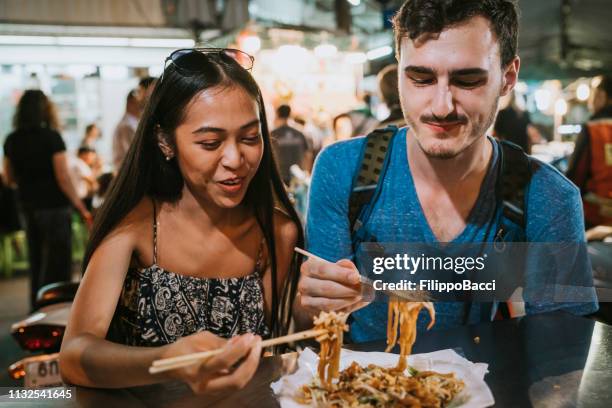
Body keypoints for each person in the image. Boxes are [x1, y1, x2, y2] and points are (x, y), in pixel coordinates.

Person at [296, 0, 598, 341]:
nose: (441, 107)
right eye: (420, 78)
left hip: (488, 389)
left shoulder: (547, 197)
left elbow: (561, 355)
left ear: (508, 78)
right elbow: (319, 327)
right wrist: (313, 300)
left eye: (467, 80)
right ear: (398, 72)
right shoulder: (345, 171)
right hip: (363, 386)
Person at [59, 48, 304, 394]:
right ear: (164, 141)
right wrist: (166, 360)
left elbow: (280, 346)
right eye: (209, 143)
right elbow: (73, 356)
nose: (235, 159)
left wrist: (317, 306)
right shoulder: (137, 227)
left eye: (250, 137)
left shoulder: (276, 233)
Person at [3, 90, 91, 309]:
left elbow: (9, 178)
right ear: (45, 110)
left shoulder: (12, 140)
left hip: (28, 206)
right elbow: (62, 177)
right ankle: (56, 308)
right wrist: (80, 206)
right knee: (58, 262)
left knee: (36, 260)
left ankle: (37, 306)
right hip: (54, 207)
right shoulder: (52, 137)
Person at [567, 75, 612, 227]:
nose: (590, 101)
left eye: (593, 94)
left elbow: (575, 178)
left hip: (595, 220)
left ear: (602, 96)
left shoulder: (592, 129)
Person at [271, 104, 312, 184]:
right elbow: (308, 154)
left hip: (279, 175)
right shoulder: (300, 133)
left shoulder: (273, 134)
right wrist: (306, 172)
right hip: (298, 175)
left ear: (277, 114)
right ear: (290, 114)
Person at [112, 89, 141, 170]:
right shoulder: (127, 126)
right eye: (140, 103)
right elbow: (133, 154)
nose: (142, 106)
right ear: (131, 103)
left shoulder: (130, 123)